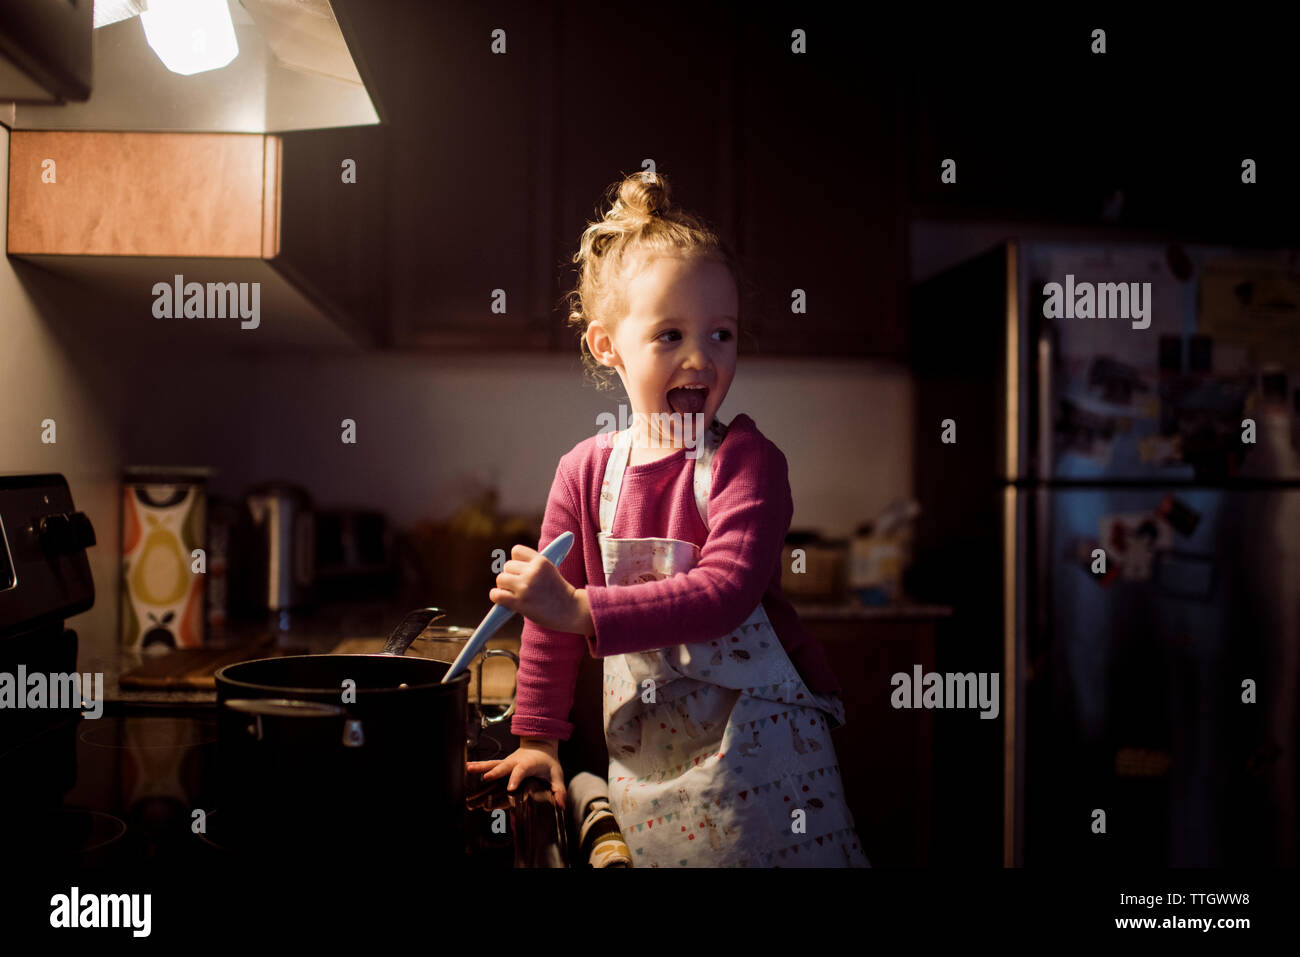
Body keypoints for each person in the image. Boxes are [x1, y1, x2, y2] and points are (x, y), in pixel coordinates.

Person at [466, 171, 868, 867]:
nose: (700, 357)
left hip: (768, 769)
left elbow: (724, 592)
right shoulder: (584, 473)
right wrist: (536, 742)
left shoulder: (749, 461)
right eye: (670, 334)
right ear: (606, 345)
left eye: (722, 334)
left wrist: (580, 607)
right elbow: (548, 622)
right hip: (655, 778)